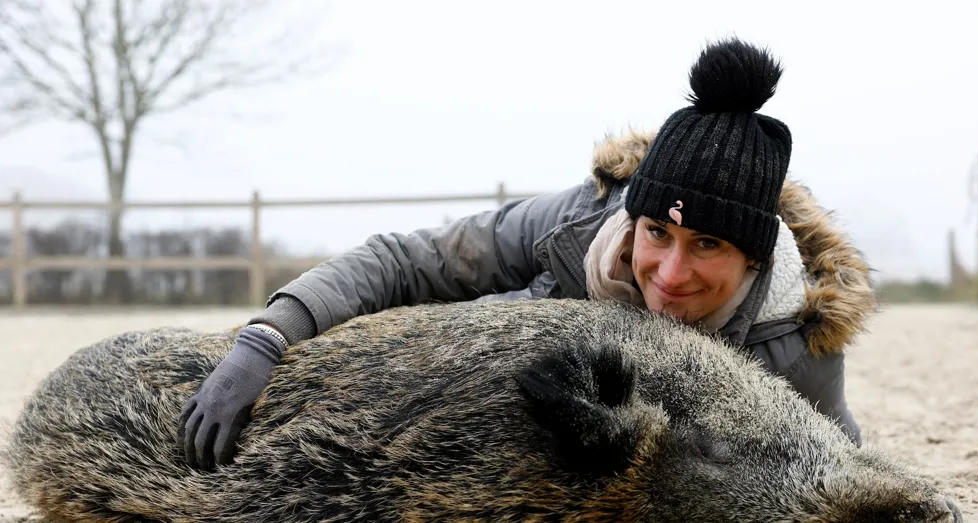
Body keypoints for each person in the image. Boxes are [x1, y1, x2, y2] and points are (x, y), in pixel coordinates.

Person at [177, 37, 878, 470]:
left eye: (707, 245)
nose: (668, 273)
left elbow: (835, 464)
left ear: (754, 259)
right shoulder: (574, 225)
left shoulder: (794, 343)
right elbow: (406, 260)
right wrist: (267, 337)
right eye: (657, 233)